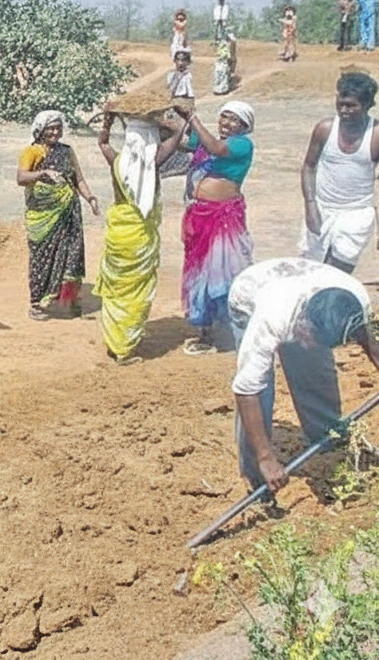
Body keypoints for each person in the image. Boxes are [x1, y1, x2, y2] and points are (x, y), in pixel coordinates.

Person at [227, 257, 379, 495]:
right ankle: (257, 475)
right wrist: (266, 456)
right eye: (308, 335)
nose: (308, 344)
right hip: (250, 294)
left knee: (316, 374)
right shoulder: (271, 317)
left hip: (303, 289)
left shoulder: (352, 302)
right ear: (305, 318)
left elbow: (368, 338)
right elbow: (247, 391)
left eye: (318, 341)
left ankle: (329, 441)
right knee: (261, 392)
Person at [95, 107, 188, 363]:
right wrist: (178, 114)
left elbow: (102, 141)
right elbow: (179, 134)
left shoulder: (116, 161)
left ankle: (114, 341)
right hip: (139, 238)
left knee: (116, 289)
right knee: (136, 291)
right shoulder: (153, 163)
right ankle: (125, 348)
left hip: (118, 235)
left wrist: (110, 121)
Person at [174, 100, 256, 354]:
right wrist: (167, 118)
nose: (226, 123)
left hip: (223, 218)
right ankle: (207, 332)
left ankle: (234, 331)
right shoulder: (207, 139)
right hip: (200, 214)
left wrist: (193, 118)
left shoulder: (242, 144)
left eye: (233, 120)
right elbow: (183, 143)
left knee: (222, 272)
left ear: (244, 126)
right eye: (224, 117)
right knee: (199, 272)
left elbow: (216, 148)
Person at [17, 110, 100, 321]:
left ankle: (71, 300)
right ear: (41, 130)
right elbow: (21, 177)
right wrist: (43, 173)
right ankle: (37, 304)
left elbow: (78, 179)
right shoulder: (32, 151)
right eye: (51, 128)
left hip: (69, 214)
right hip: (43, 217)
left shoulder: (67, 151)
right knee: (41, 259)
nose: (55, 132)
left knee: (71, 256)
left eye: (58, 128)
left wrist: (90, 198)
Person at [300, 71, 379, 273]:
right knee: (312, 268)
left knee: (338, 270)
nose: (344, 110)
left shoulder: (375, 135)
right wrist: (311, 206)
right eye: (340, 103)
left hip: (357, 213)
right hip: (322, 208)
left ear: (368, 105)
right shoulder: (325, 129)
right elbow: (309, 166)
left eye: (351, 106)